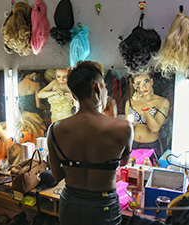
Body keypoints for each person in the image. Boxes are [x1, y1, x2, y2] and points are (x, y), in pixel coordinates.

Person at [47, 61, 133, 225]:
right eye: (105, 87)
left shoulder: (55, 129)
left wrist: (76, 166)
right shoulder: (123, 128)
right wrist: (112, 119)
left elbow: (57, 175)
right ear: (97, 88)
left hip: (70, 204)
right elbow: (123, 162)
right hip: (104, 205)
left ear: (74, 96)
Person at [125, 73, 169, 163]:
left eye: (146, 81)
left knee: (148, 175)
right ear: (134, 86)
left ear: (151, 82)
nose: (144, 86)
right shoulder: (129, 102)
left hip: (150, 146)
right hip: (132, 145)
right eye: (139, 83)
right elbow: (126, 130)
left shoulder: (162, 102)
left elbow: (154, 128)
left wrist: (144, 105)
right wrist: (130, 125)